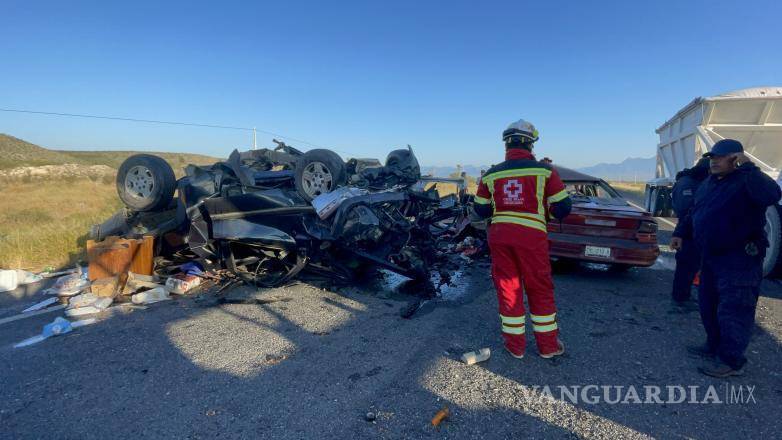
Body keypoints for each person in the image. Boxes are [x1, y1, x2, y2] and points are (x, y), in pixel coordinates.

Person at [672, 139, 781, 377]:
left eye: (720, 157)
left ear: (735, 158)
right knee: (708, 304)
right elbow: (695, 211)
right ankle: (713, 346)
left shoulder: (747, 181)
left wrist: (749, 167)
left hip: (739, 259)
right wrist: (681, 233)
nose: (714, 162)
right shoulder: (710, 183)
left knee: (734, 309)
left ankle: (731, 361)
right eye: (712, 158)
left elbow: (772, 194)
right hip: (711, 257)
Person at [473, 119, 572, 359]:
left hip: (500, 238)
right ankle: (548, 346)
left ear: (507, 144)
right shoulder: (545, 171)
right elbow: (563, 208)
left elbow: (481, 210)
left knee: (508, 288)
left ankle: (515, 346)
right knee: (539, 288)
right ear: (531, 143)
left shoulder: (491, 174)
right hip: (531, 239)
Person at [669, 158, 709, 311]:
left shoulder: (697, 182)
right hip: (688, 232)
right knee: (686, 266)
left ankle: (683, 296)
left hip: (695, 232)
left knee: (692, 266)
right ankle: (680, 297)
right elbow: (686, 209)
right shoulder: (687, 183)